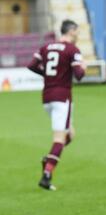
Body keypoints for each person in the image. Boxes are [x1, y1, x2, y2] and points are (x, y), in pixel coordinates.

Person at [27, 20, 86, 191]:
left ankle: (50, 158)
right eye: (77, 31)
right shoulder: (72, 50)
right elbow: (79, 75)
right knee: (59, 138)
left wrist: (46, 73)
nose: (78, 35)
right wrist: (83, 66)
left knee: (70, 134)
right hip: (62, 97)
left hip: (47, 97)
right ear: (72, 31)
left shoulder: (46, 47)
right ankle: (47, 174)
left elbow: (31, 65)